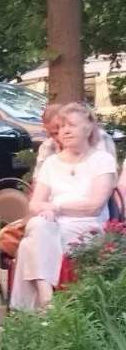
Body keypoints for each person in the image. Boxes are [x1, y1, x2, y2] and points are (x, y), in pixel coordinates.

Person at [11, 102, 116, 311]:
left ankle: (38, 311)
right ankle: (47, 301)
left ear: (88, 128)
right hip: (51, 223)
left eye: (72, 125)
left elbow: (94, 206)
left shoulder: (102, 160)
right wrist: (47, 210)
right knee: (40, 227)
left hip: (87, 225)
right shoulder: (51, 163)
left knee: (28, 245)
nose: (65, 131)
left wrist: (55, 207)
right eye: (61, 127)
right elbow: (35, 203)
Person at [34, 102, 116, 181]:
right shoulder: (47, 147)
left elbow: (107, 179)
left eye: (63, 127)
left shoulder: (100, 139)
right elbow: (38, 180)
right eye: (54, 134)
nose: (60, 136)